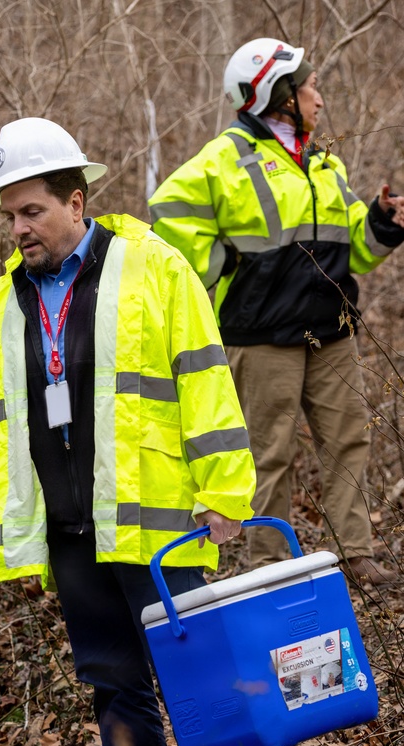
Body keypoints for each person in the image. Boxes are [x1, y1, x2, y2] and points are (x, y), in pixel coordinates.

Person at [0, 117, 261, 746]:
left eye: (31, 211)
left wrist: (226, 493)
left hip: (164, 524)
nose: (19, 228)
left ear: (75, 201)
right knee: (114, 687)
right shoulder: (8, 301)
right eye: (9, 216)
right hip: (72, 531)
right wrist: (7, 531)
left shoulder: (154, 269)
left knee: (199, 681)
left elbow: (206, 380)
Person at [150, 39, 404, 583]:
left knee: (348, 442)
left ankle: (356, 556)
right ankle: (269, 566)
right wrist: (229, 268)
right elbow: (168, 213)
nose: (317, 95)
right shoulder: (225, 157)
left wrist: (382, 223)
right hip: (261, 337)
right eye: (308, 86)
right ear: (277, 94)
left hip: (332, 331)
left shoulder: (324, 164)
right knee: (268, 455)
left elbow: (355, 248)